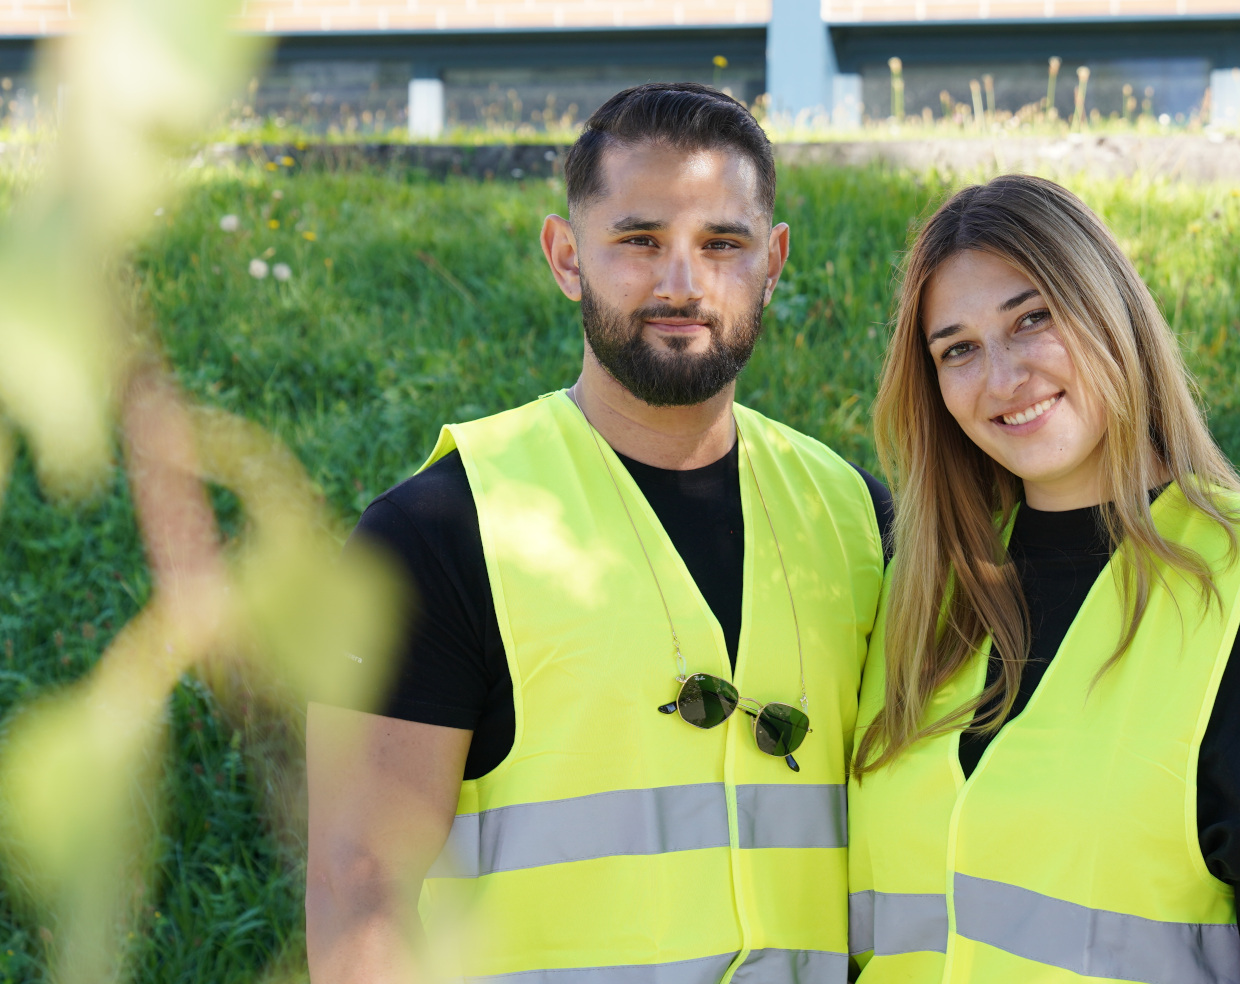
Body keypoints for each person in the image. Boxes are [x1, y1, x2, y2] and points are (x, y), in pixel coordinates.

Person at [305, 83, 892, 984]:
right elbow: (359, 894)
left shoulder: (858, 516)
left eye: (722, 244)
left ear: (772, 261)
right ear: (566, 255)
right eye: (640, 240)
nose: (682, 283)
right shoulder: (435, 530)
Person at [847, 175, 1240, 984]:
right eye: (958, 350)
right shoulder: (923, 595)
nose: (1003, 377)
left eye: (1033, 319)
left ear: (1108, 311)